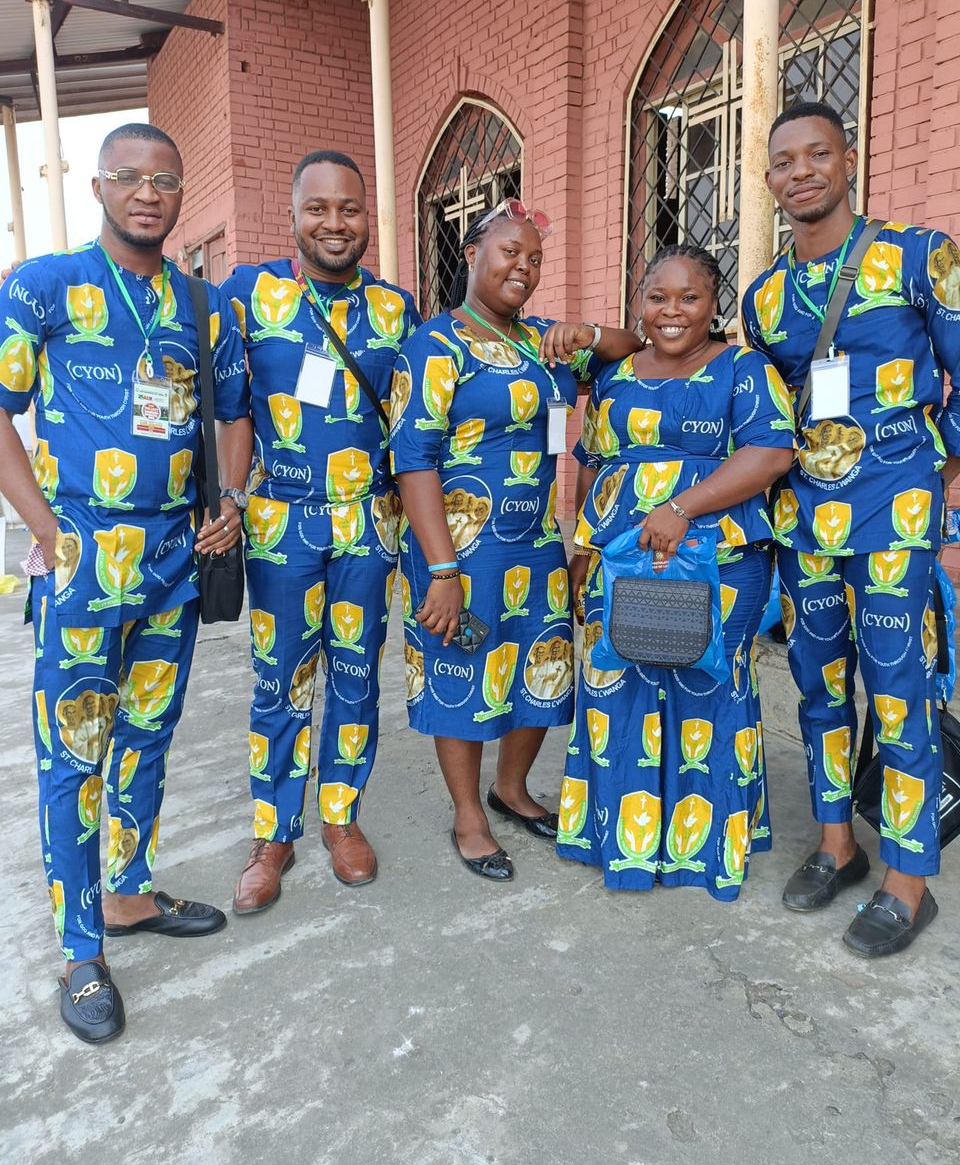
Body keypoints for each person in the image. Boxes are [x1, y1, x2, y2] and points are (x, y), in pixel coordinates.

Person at [0, 123, 252, 1043]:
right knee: (75, 757)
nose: (148, 193)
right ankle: (80, 950)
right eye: (129, 177)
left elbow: (234, 411)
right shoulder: (44, 286)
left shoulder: (201, 303)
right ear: (99, 186)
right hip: (81, 565)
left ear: (182, 193)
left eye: (165, 181)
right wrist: (45, 530)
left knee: (148, 738)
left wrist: (231, 499)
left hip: (173, 563)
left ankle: (130, 894)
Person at [742, 99, 960, 955]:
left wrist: (938, 475)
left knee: (902, 694)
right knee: (819, 688)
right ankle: (838, 845)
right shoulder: (765, 299)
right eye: (784, 161)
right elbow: (765, 411)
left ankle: (909, 880)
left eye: (817, 154)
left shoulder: (917, 255)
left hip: (895, 516)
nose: (801, 172)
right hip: (805, 525)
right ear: (769, 181)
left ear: (850, 160)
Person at [390, 200, 641, 880]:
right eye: (510, 252)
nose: (524, 268)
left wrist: (586, 330)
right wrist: (442, 570)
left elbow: (634, 351)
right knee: (462, 673)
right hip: (459, 549)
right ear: (472, 254)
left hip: (535, 542)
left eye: (535, 258)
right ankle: (468, 815)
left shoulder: (541, 341)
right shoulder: (436, 344)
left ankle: (511, 788)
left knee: (541, 663)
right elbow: (413, 460)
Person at [556, 244, 794, 898]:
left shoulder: (744, 368)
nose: (672, 310)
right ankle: (625, 843)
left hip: (720, 560)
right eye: (658, 296)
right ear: (639, 302)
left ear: (714, 305)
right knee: (618, 688)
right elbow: (592, 462)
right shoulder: (615, 375)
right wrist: (582, 549)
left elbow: (772, 452)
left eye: (690, 297)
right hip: (617, 562)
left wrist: (680, 509)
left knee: (707, 689)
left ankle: (702, 848)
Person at [222, 151, 419, 912]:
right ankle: (273, 833)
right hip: (282, 524)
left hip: (370, 521)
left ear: (368, 218)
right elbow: (232, 410)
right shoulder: (250, 294)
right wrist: (230, 497)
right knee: (280, 680)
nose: (335, 223)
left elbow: (416, 420)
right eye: (318, 208)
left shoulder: (397, 309)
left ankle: (340, 816)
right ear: (293, 216)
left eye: (349, 209)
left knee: (356, 674)